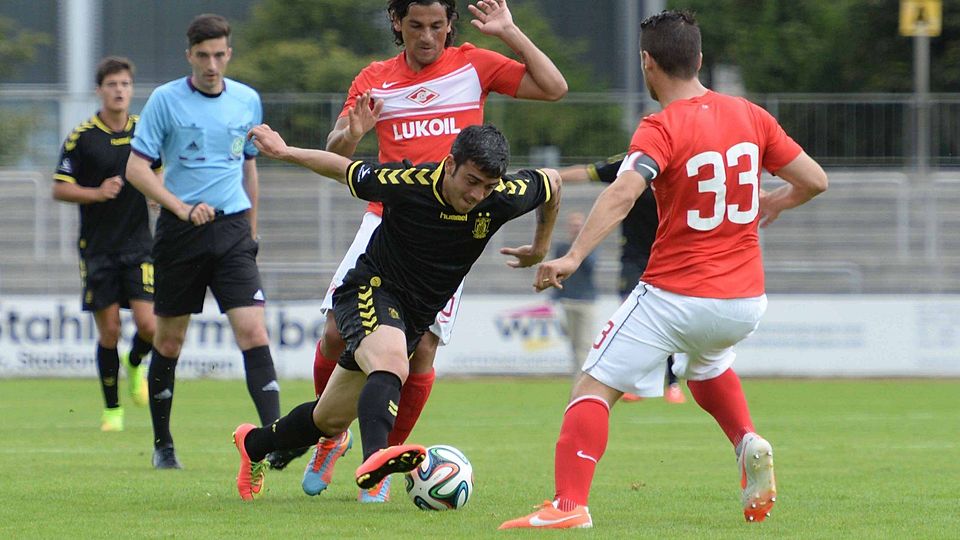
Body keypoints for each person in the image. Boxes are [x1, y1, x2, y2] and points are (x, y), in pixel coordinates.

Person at [500, 10, 827, 529]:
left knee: (592, 387)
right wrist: (778, 201)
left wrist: (572, 256)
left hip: (676, 295)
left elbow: (623, 192)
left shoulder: (660, 126)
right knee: (708, 365)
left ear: (646, 62)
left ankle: (567, 507)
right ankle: (746, 440)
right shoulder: (750, 114)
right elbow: (814, 180)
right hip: (744, 301)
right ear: (699, 59)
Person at [304, 0, 567, 502]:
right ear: (396, 23)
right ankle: (330, 436)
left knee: (421, 347)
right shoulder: (375, 78)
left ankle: (385, 459)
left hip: (453, 230)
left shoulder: (474, 64)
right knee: (336, 332)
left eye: (437, 26)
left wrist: (509, 32)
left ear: (450, 25)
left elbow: (554, 88)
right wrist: (351, 134)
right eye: (416, 26)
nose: (427, 37)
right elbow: (335, 153)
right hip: (388, 222)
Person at [231, 123, 562, 503]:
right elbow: (343, 168)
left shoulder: (503, 195)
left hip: (413, 317)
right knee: (392, 363)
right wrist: (285, 151)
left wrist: (540, 247)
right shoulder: (407, 183)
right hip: (369, 290)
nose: (477, 195)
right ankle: (376, 460)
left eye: (487, 187)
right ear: (450, 164)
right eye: (471, 181)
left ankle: (253, 444)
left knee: (328, 418)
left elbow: (552, 183)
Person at [125, 14, 286, 470]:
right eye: (203, 56)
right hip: (180, 233)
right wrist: (180, 207)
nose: (212, 65)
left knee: (253, 332)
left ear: (228, 54)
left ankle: (275, 441)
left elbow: (248, 167)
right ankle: (163, 445)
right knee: (169, 341)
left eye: (219, 55)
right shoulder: (165, 100)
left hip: (232, 231)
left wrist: (252, 230)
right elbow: (135, 169)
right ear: (189, 56)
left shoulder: (247, 100)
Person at [52, 56, 160, 432]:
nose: (119, 91)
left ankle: (135, 362)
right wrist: (97, 193)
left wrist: (157, 194)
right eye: (112, 84)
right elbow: (59, 188)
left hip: (139, 245)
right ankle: (113, 410)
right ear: (99, 90)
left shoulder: (144, 131)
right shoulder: (82, 137)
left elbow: (159, 171)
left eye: (125, 84)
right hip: (98, 248)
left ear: (132, 89)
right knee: (110, 330)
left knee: (150, 326)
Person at [559, 155, 686, 403]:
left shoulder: (678, 165)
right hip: (632, 261)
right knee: (632, 322)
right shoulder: (630, 164)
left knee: (669, 322)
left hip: (668, 259)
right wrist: (548, 178)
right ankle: (633, 384)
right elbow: (586, 172)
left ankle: (672, 383)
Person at [550, 211, 597, 374]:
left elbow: (591, 267)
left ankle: (583, 376)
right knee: (573, 343)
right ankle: (578, 374)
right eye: (573, 225)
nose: (576, 228)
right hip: (567, 300)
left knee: (584, 343)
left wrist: (580, 250)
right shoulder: (562, 248)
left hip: (585, 301)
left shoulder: (590, 247)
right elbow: (556, 274)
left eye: (578, 226)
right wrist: (554, 297)